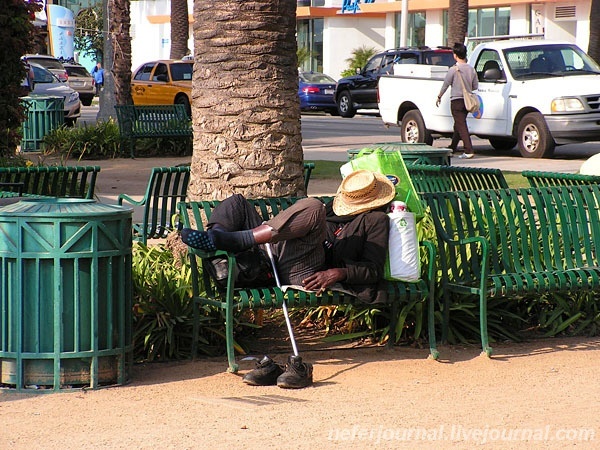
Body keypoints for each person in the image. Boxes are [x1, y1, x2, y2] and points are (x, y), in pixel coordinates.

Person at [180, 170, 396, 389]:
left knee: (312, 206)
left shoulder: (375, 220)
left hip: (307, 270)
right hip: (274, 256)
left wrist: (337, 273)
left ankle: (231, 244)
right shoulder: (335, 208)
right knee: (237, 203)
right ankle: (218, 239)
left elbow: (373, 269)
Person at [436, 43, 479, 159]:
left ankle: (468, 150)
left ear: (455, 55)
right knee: (458, 124)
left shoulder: (453, 70)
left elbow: (446, 84)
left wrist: (439, 96)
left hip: (456, 101)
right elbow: (475, 86)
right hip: (467, 101)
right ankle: (453, 147)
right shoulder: (472, 70)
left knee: (461, 125)